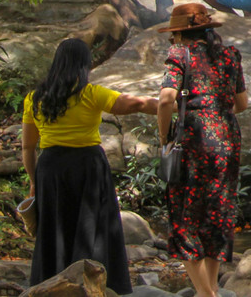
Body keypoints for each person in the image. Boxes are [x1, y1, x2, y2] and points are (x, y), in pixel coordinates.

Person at [21, 38, 157, 294]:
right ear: (84, 65)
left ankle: (50, 286)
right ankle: (98, 286)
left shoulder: (35, 98)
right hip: (88, 166)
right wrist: (171, 105)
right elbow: (137, 104)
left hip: (51, 169)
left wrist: (33, 181)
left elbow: (28, 148)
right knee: (93, 226)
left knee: (55, 226)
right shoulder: (91, 94)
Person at [157, 2, 248, 297]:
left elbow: (165, 99)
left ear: (181, 34)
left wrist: (164, 137)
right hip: (227, 137)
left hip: (192, 139)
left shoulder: (179, 54)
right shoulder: (230, 55)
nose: (173, 40)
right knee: (218, 213)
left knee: (184, 216)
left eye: (173, 35)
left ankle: (205, 293)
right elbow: (242, 103)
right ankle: (211, 289)